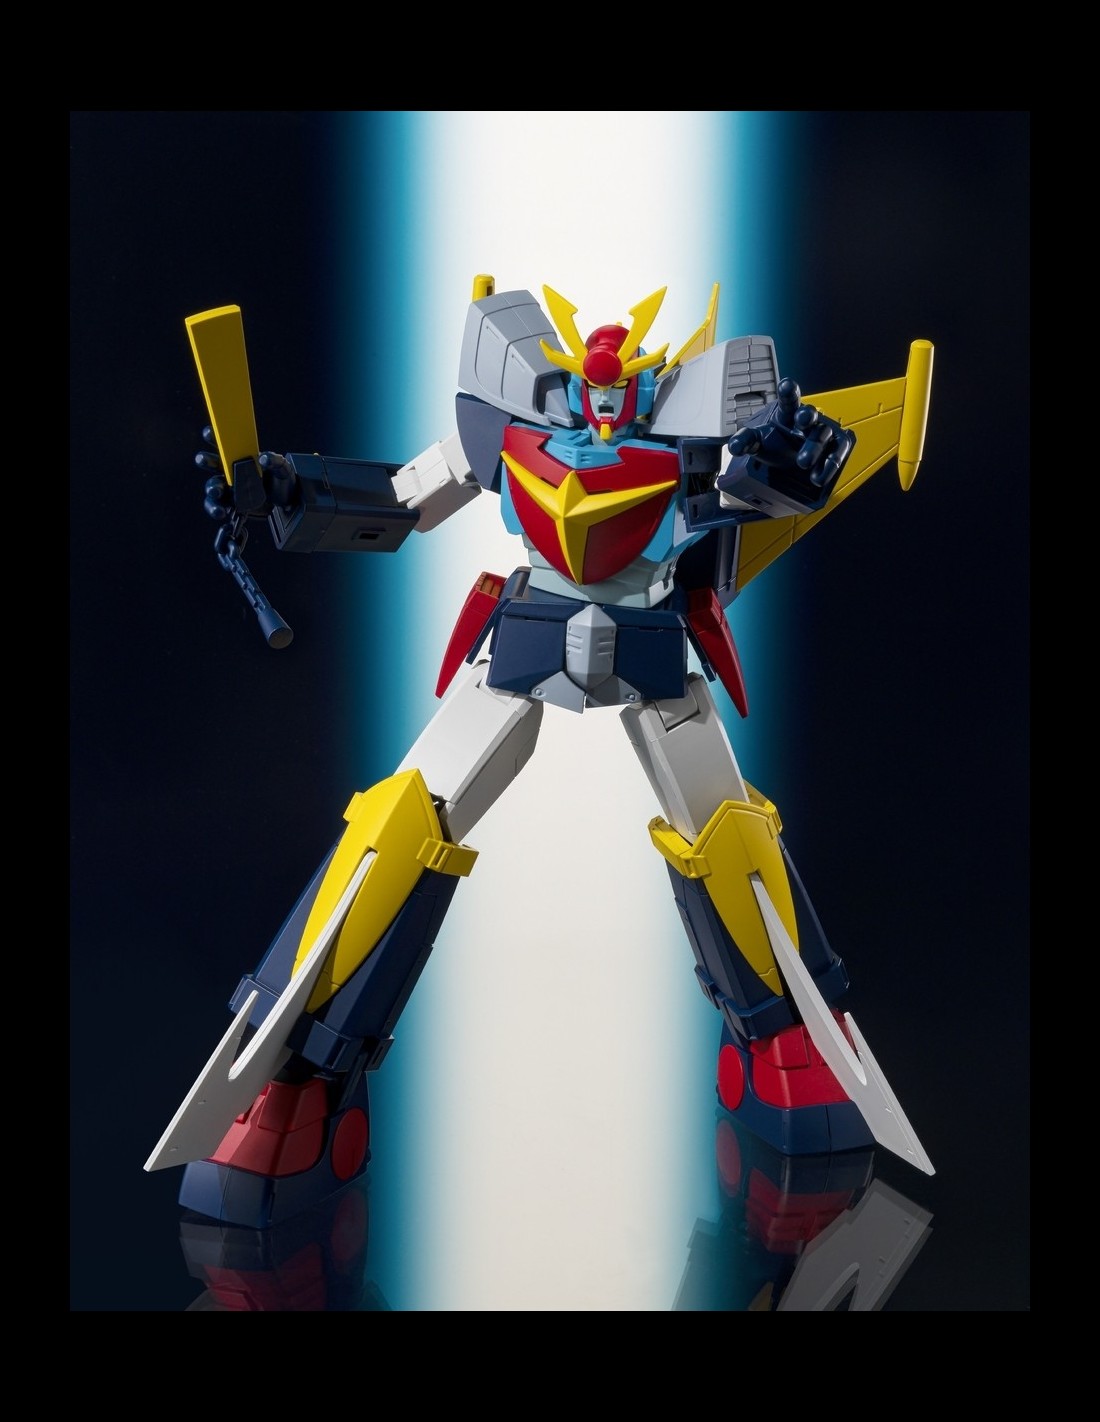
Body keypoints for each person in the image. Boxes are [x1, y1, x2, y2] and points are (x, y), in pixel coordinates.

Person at [146, 276, 935, 1228]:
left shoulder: (696, 445)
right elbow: (399, 500)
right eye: (591, 387)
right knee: (394, 829)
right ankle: (299, 1073)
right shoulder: (510, 430)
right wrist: (283, 487)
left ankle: (789, 1048)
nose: (603, 405)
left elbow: (771, 495)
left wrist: (799, 456)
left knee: (732, 839)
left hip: (651, 650)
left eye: (622, 389)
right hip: (524, 644)